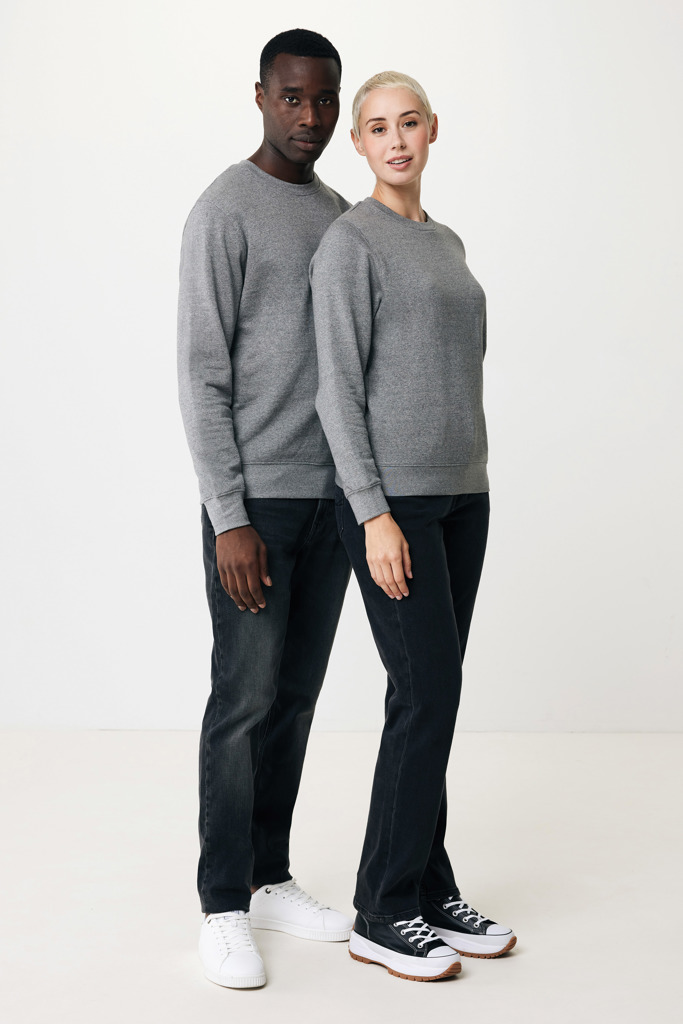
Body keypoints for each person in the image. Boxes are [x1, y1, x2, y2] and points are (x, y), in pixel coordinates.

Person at [310, 71, 517, 982]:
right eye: (376, 128)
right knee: (424, 692)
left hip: (462, 495)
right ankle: (382, 908)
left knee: (435, 693)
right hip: (392, 506)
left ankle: (430, 888)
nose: (394, 141)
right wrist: (373, 513)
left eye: (408, 124)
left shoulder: (446, 240)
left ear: (433, 129)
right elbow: (336, 391)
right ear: (357, 143)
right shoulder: (349, 244)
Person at [177, 29, 354, 990]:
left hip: (332, 503)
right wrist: (228, 515)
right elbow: (201, 375)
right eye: (292, 98)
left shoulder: (340, 217)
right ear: (259, 97)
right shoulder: (224, 210)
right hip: (255, 509)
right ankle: (221, 904)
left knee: (293, 699)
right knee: (242, 704)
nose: (309, 117)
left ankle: (268, 873)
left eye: (323, 99)